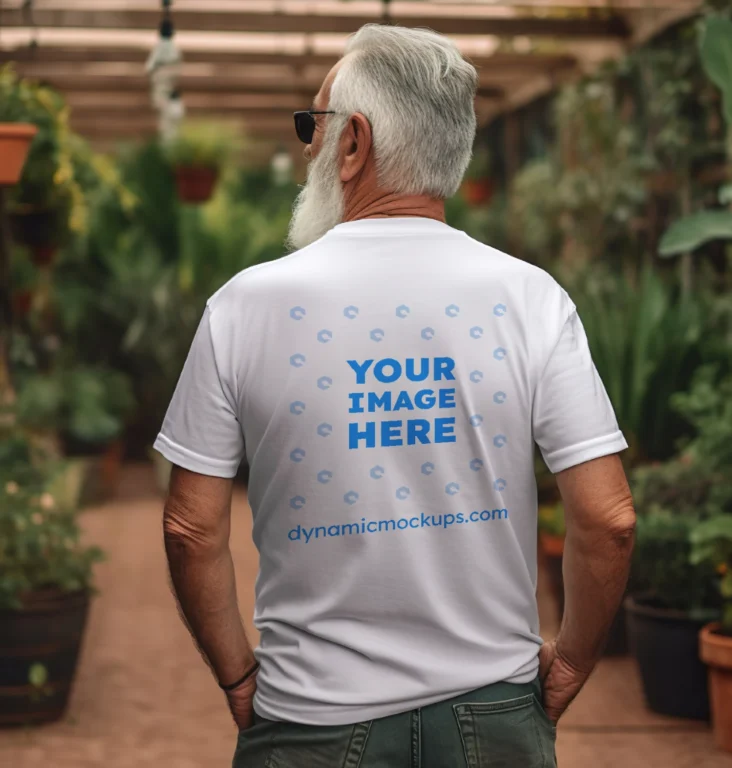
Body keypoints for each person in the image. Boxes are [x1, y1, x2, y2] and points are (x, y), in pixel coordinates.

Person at [156, 23, 635, 768]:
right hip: (494, 715)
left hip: (310, 717)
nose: (306, 149)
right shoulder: (530, 298)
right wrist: (569, 662)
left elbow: (190, 529)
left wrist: (237, 672)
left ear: (353, 144)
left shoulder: (244, 307)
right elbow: (608, 520)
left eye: (315, 127)